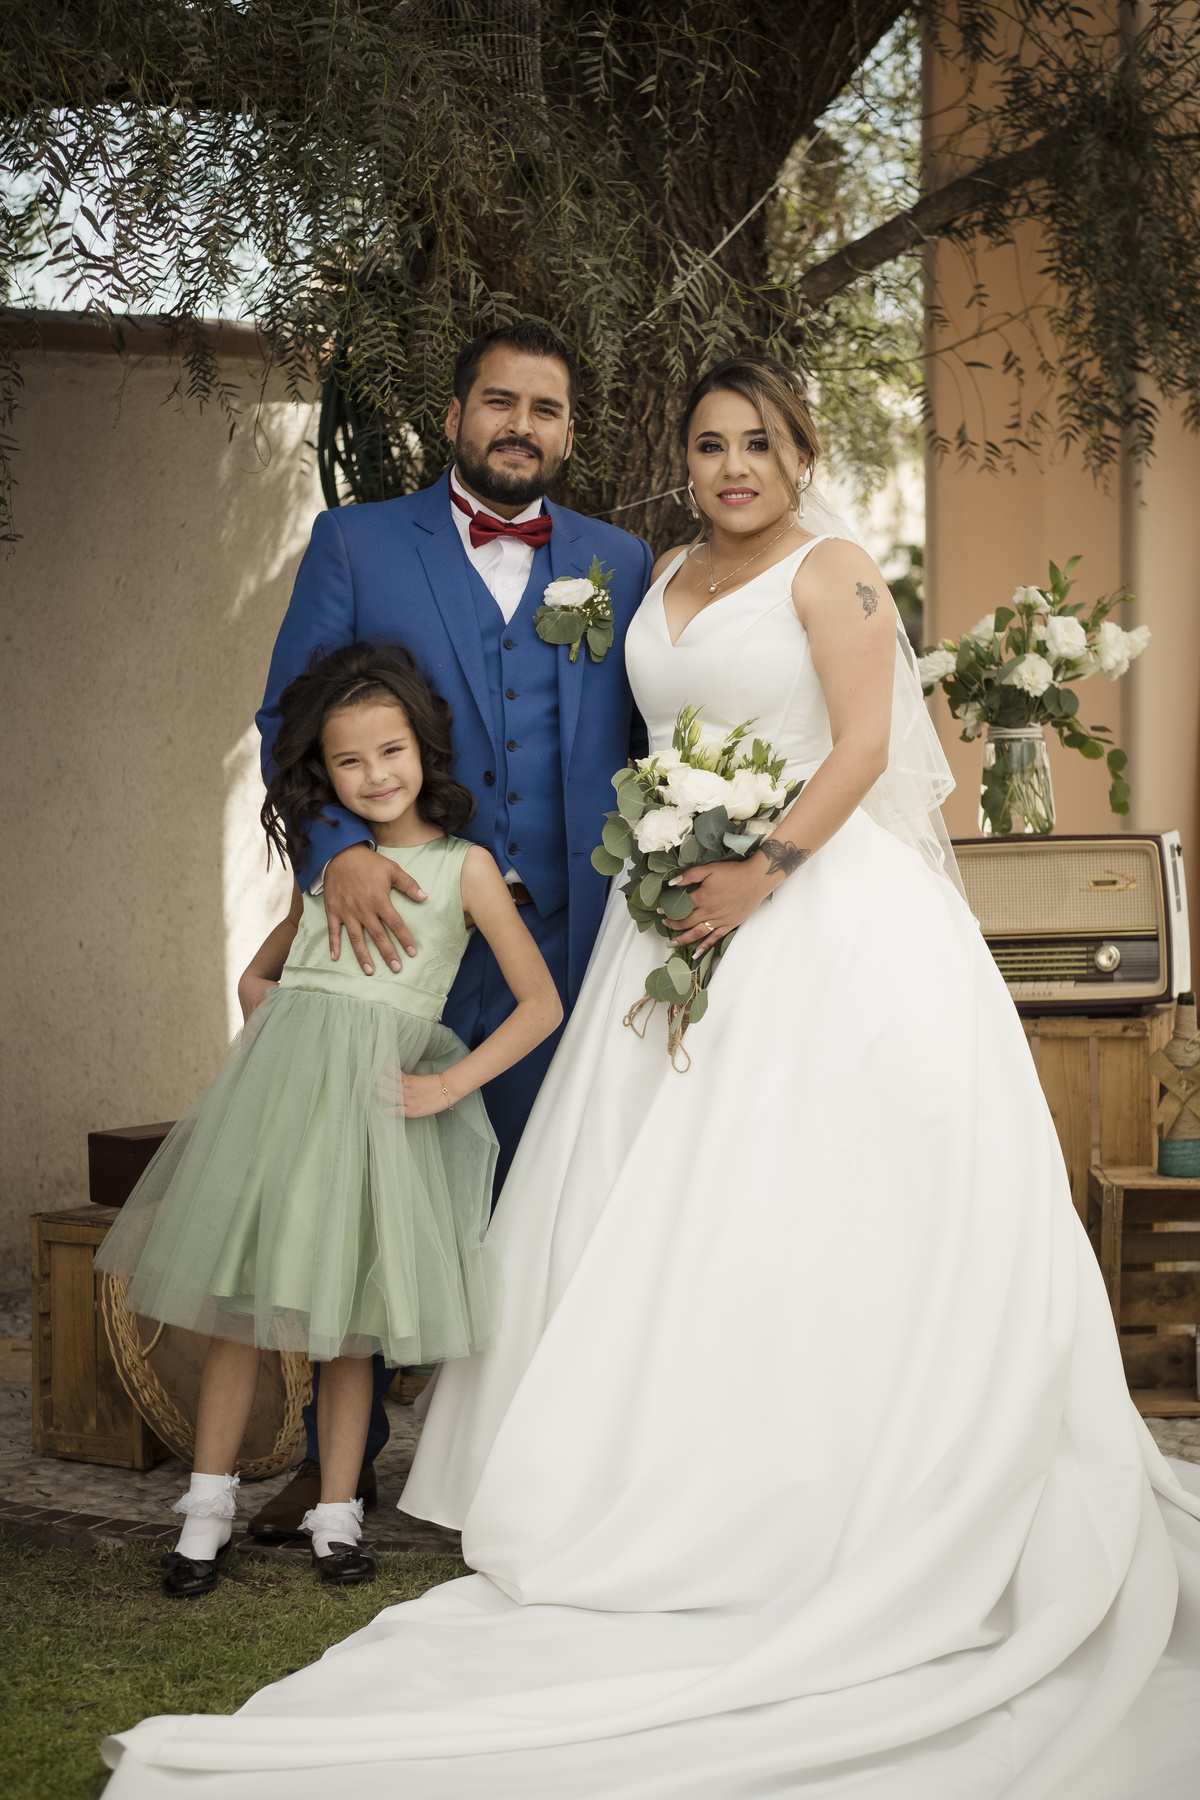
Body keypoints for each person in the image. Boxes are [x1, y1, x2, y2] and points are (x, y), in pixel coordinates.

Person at [102, 357, 1200, 1797]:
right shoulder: (655, 568)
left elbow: (869, 745)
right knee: (641, 1201)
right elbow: (539, 728)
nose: (733, 464)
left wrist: (763, 873)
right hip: (653, 917)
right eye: (709, 442)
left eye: (759, 442)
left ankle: (796, 1488)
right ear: (679, 460)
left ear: (803, 455)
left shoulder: (837, 573)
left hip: (807, 915)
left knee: (794, 1196)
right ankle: (581, 1478)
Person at [245, 319, 654, 1542]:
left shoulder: (620, 560)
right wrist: (340, 858)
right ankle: (337, 1471)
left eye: (547, 408)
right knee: (360, 1203)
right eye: (500, 402)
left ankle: (532, 1471)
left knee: (555, 1202)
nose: (522, 425)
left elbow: (645, 734)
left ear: (570, 431)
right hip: (398, 939)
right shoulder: (357, 541)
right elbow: (288, 718)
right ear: (456, 416)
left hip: (566, 942)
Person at [95, 643, 562, 1596]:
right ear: (326, 772)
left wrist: (445, 1085)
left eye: (391, 751)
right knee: (239, 1312)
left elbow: (540, 1005)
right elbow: (259, 975)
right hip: (283, 1112)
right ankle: (207, 1508)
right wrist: (288, 1036)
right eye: (349, 761)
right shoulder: (330, 863)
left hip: (375, 1122)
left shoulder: (466, 869)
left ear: (425, 749)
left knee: (352, 1325)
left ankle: (337, 1514)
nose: (375, 775)